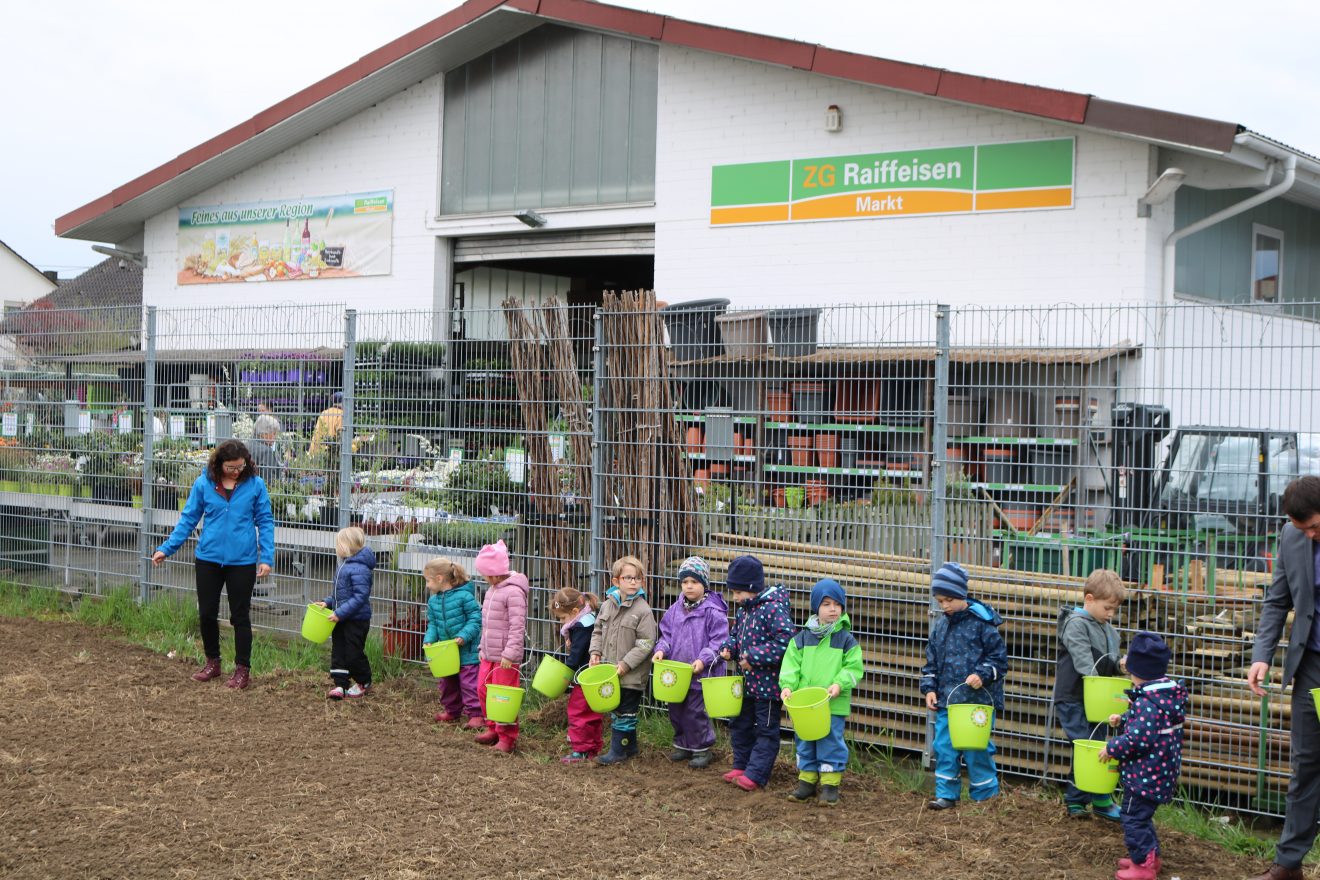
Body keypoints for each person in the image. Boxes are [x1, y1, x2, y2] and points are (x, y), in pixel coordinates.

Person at [151, 439, 274, 690]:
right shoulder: (203, 484)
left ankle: (242, 669)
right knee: (207, 613)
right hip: (208, 558)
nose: (236, 471)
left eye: (240, 466)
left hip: (242, 560)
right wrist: (167, 548)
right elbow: (188, 519)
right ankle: (212, 662)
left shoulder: (256, 485)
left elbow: (265, 521)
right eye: (231, 467)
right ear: (219, 464)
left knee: (240, 615)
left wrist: (267, 557)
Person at [1246, 476, 1320, 880]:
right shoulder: (1292, 538)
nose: (1310, 535)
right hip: (1311, 666)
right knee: (1305, 763)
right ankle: (1289, 865)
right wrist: (1262, 656)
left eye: (1314, 527)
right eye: (1302, 529)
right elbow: (1277, 600)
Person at [1098, 632, 1187, 880]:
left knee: (1132, 818)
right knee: (1142, 817)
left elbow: (1139, 738)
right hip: (1160, 771)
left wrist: (1112, 748)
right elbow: (1150, 724)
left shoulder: (1148, 701)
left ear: (1137, 671)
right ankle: (1151, 857)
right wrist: (1124, 718)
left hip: (1145, 774)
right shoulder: (1163, 696)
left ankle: (1143, 866)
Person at [921, 561, 1007, 810]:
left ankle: (986, 797)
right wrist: (929, 688)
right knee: (945, 747)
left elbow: (999, 661)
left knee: (976, 749)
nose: (945, 606)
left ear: (961, 594)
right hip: (948, 701)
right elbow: (932, 661)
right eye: (940, 601)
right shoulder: (941, 627)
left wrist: (982, 675)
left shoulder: (983, 625)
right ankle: (946, 794)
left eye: (949, 599)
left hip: (978, 703)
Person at [779, 577, 864, 806]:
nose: (833, 609)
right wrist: (787, 686)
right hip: (805, 705)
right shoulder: (801, 639)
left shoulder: (846, 640)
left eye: (837, 604)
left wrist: (839, 683)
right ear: (816, 607)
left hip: (833, 703)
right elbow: (790, 666)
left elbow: (854, 668)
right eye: (826, 604)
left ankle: (829, 785)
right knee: (805, 740)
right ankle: (806, 781)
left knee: (830, 741)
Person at [1054, 568, 1126, 820]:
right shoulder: (1076, 624)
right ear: (1089, 599)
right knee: (1089, 746)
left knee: (1093, 746)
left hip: (1098, 701)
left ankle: (1081, 799)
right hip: (1073, 697)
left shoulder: (1107, 629)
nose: (1111, 614)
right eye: (1107, 607)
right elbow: (1085, 662)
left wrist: (1120, 665)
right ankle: (1098, 799)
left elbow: (1108, 662)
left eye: (1114, 609)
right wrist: (1105, 674)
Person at [719, 554, 795, 792]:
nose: (736, 597)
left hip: (768, 687)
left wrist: (753, 657)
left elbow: (786, 641)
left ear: (752, 587)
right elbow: (736, 635)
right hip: (746, 684)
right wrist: (729, 649)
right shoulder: (744, 610)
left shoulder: (773, 609)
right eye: (733, 592)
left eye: (738, 592)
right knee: (739, 724)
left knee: (765, 729)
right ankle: (742, 765)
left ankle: (757, 773)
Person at [651, 556, 728, 770]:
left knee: (696, 712)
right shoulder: (675, 609)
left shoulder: (713, 611)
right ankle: (683, 744)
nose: (689, 586)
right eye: (685, 582)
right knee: (676, 709)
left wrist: (703, 660)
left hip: (700, 675)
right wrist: (660, 650)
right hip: (677, 674)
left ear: (704, 584)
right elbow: (666, 635)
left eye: (694, 582)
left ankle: (702, 748)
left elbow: (719, 641)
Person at [589, 555, 659, 766]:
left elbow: (646, 643)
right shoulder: (607, 606)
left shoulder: (643, 611)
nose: (633, 582)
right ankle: (631, 747)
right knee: (617, 709)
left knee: (625, 711)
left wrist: (626, 664)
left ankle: (618, 751)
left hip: (631, 674)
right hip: (609, 670)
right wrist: (595, 651)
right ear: (616, 581)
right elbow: (598, 630)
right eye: (627, 578)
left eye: (637, 578)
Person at [472, 539, 528, 754]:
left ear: (494, 573)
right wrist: (482, 648)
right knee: (483, 690)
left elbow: (517, 626)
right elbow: (488, 625)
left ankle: (507, 736)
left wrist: (510, 653)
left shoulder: (513, 593)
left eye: (485, 573)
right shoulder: (493, 589)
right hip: (489, 653)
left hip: (505, 656)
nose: (484, 577)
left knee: (504, 697)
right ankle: (493, 727)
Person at [315, 527, 375, 699]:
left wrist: (340, 613)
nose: (337, 547)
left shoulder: (360, 568)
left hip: (356, 620)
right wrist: (328, 602)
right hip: (341, 618)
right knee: (339, 651)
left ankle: (364, 681)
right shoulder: (345, 566)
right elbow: (341, 594)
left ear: (347, 546)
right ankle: (340, 685)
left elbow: (360, 597)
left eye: (338, 544)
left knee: (353, 653)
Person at [422, 557, 482, 726]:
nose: (427, 585)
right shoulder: (433, 601)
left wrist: (464, 635)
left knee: (469, 683)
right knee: (447, 683)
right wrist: (429, 640)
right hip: (446, 651)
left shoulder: (465, 596)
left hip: (466, 649)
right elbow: (433, 624)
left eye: (428, 580)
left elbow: (475, 619)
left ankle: (476, 714)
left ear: (439, 578)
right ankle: (452, 711)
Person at [550, 587, 604, 764]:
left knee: (578, 710)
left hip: (584, 676)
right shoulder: (589, 619)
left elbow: (576, 655)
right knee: (593, 711)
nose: (562, 622)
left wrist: (565, 674)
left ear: (574, 611)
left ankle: (581, 749)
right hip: (595, 675)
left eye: (563, 618)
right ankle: (593, 747)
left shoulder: (581, 627)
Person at [245, 413, 285, 484]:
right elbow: (271, 478)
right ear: (264, 434)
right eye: (274, 433)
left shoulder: (246, 445)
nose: (275, 437)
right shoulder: (266, 451)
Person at [309, 391, 343, 457]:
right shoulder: (341, 414)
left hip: (316, 451)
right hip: (331, 453)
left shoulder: (324, 413)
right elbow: (340, 435)